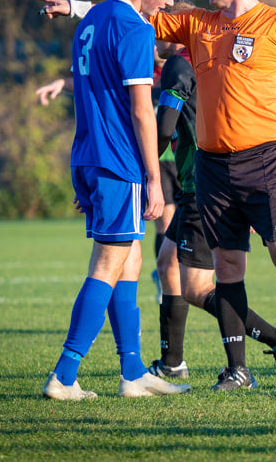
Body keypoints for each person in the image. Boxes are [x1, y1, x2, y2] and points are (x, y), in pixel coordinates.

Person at [35, 0, 276, 391]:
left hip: (269, 160)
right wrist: (73, 7)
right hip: (213, 166)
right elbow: (129, 12)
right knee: (224, 269)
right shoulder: (198, 24)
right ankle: (234, 369)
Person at [41, 0, 192, 400]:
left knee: (130, 260)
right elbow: (142, 111)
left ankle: (132, 374)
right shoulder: (135, 29)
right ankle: (65, 376)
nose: (169, 3)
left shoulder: (91, 20)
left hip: (88, 155)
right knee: (108, 264)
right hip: (118, 161)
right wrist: (151, 177)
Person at [148, 0, 276, 382]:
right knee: (168, 264)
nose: (155, 34)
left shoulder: (180, 64)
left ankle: (275, 339)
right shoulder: (207, 55)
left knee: (197, 288)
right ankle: (172, 362)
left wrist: (143, 164)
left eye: (161, 25)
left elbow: (164, 128)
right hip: (200, 184)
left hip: (202, 185)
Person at [35, 51, 179, 307]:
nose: (158, 47)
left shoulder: (182, 67)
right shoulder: (138, 63)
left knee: (146, 244)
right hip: (152, 159)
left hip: (181, 155)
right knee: (161, 226)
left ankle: (169, 276)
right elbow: (94, 84)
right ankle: (165, 274)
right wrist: (62, 83)